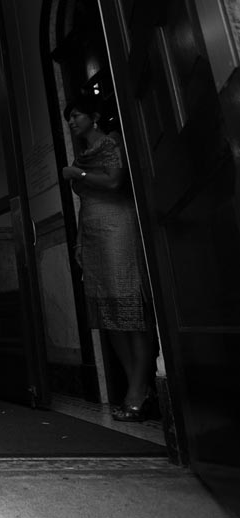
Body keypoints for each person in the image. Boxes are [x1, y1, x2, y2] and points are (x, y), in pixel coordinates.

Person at [62, 96, 155, 422]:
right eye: (69, 117)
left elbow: (115, 182)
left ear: (94, 117)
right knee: (109, 314)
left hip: (119, 229)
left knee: (130, 308)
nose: (71, 122)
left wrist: (79, 174)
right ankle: (136, 387)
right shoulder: (81, 155)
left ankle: (139, 388)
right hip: (92, 232)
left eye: (76, 115)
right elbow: (85, 203)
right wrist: (79, 241)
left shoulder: (111, 143)